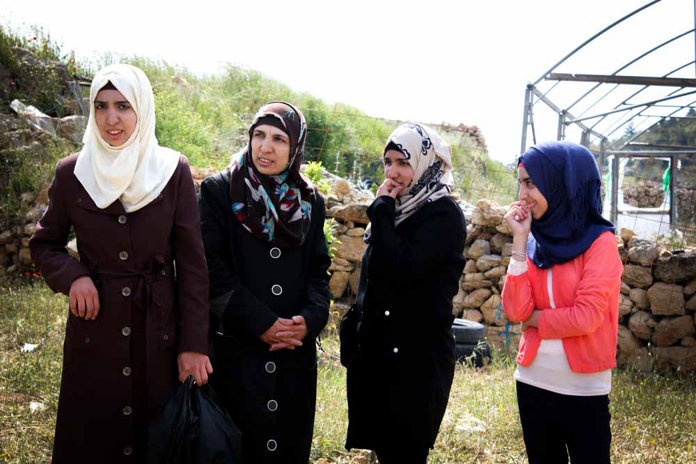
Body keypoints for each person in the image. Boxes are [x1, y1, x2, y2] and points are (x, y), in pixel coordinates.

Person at [29, 64, 211, 463]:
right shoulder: (73, 171)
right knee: (95, 437)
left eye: (124, 106)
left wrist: (193, 344)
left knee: (156, 439)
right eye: (101, 106)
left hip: (158, 329)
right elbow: (45, 245)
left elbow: (193, 266)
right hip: (97, 331)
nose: (112, 119)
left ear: (142, 109)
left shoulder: (171, 170)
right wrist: (73, 277)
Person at [199, 101, 331, 464]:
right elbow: (211, 269)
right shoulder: (219, 191)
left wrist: (311, 319)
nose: (265, 147)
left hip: (292, 353)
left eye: (278, 139)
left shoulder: (309, 200)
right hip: (236, 352)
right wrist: (261, 323)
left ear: (296, 148)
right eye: (258, 135)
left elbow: (319, 270)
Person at [343, 123, 466, 464]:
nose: (392, 172)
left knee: (405, 453)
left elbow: (403, 268)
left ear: (426, 164)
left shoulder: (443, 215)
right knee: (386, 451)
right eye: (388, 161)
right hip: (381, 357)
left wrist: (381, 208)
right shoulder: (398, 209)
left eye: (403, 162)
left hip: (416, 365)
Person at [501, 141, 623, 464]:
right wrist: (519, 241)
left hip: (585, 390)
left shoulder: (601, 243)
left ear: (561, 182)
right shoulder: (533, 241)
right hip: (532, 383)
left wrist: (536, 320)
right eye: (521, 183)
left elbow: (586, 317)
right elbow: (515, 311)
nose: (522, 194)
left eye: (531, 182)